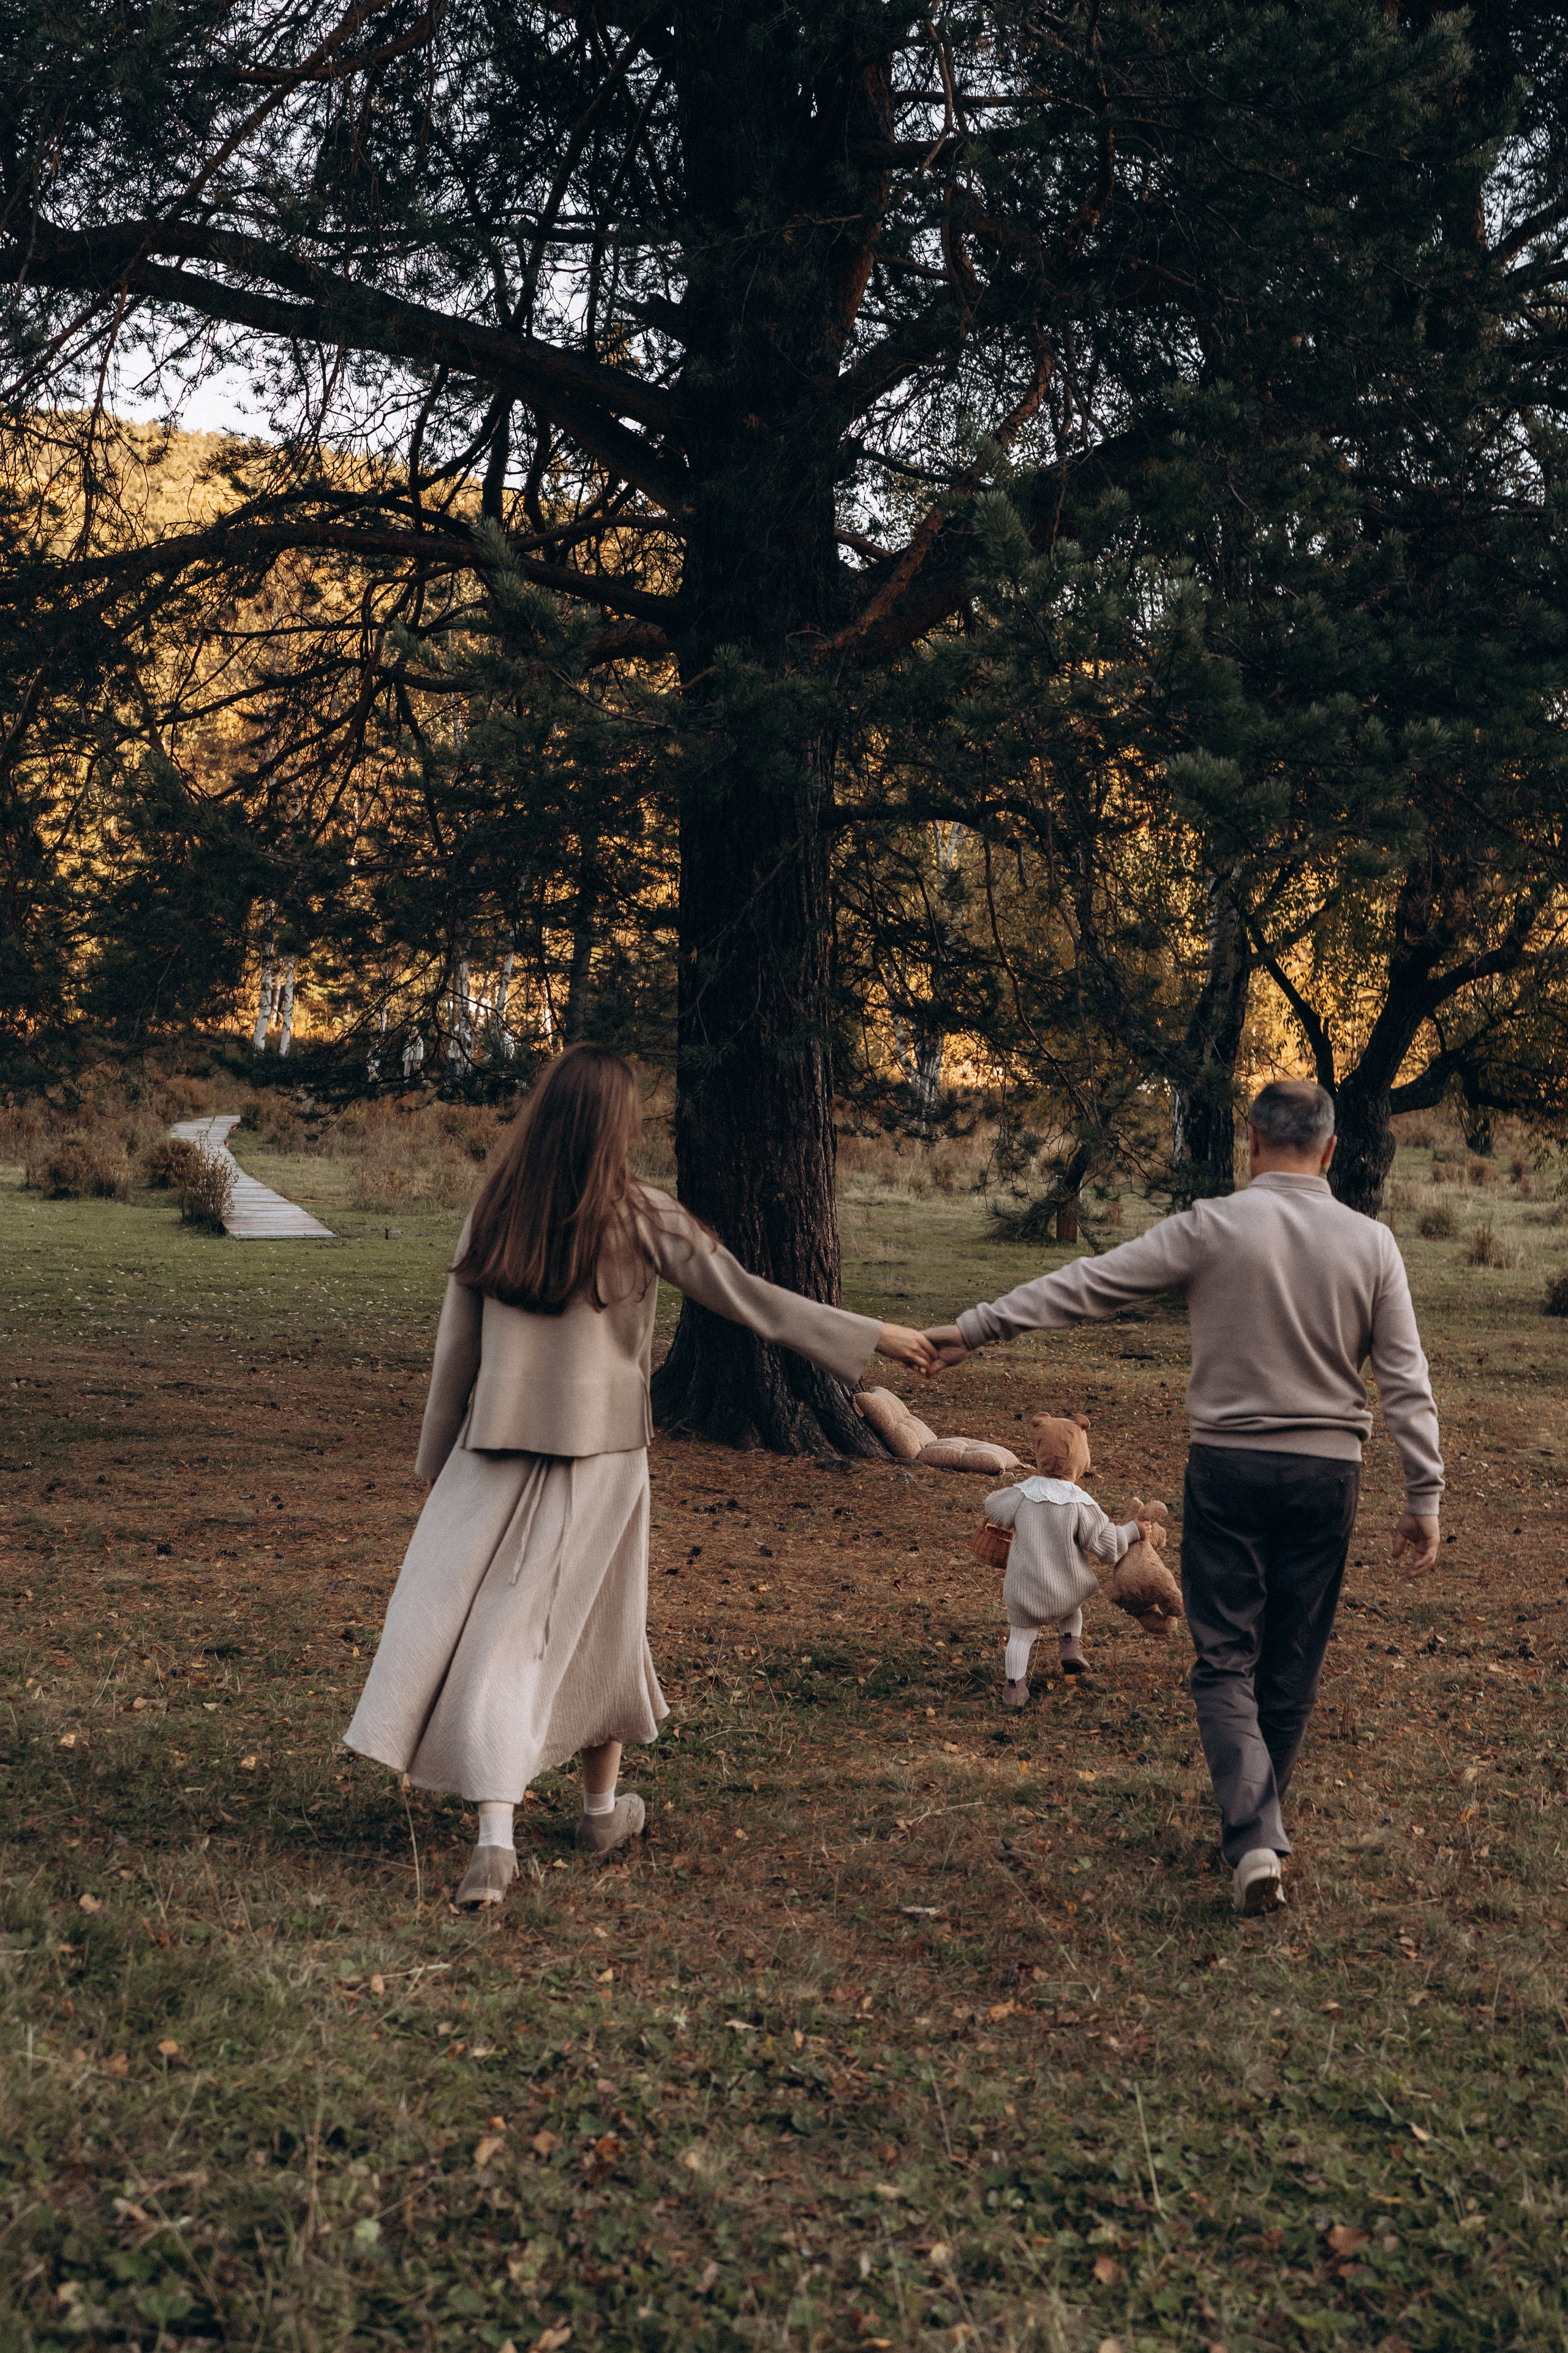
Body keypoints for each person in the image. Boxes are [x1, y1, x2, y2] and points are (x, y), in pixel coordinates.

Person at [344, 1044, 935, 1906]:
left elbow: (455, 1353)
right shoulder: (644, 1215)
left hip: (489, 1451)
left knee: (594, 1629)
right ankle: (495, 1841)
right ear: (618, 1127)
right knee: (529, 1637)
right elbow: (750, 1297)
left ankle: (599, 1810)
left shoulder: (497, 1209)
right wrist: (875, 1336)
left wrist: (436, 1463)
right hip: (600, 1461)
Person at [922, 1080, 1443, 1916]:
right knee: (1291, 1660)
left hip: (1229, 1472)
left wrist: (977, 1327)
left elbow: (1090, 1283)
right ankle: (1259, 1829)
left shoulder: (1215, 1225)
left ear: (1252, 1142)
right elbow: (1405, 1379)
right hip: (1325, 1477)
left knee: (1226, 1656)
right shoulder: (1371, 1243)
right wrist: (1424, 1492)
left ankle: (1255, 1832)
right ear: (1333, 1150)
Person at [982, 1411, 1148, 1699]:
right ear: (1081, 1456)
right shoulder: (1081, 1504)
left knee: (1021, 1636)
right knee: (1073, 1606)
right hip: (1065, 1589)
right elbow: (1106, 1545)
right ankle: (1070, 1646)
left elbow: (993, 1507)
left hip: (1026, 1592)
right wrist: (1132, 1531)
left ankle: (1014, 1687)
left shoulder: (1023, 1494)